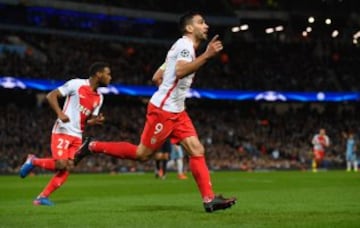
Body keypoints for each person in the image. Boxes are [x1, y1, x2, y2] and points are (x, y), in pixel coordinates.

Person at [75, 11, 236, 212]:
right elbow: (179, 71)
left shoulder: (179, 47)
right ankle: (92, 146)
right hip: (165, 111)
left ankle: (209, 199)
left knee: (197, 150)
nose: (206, 26)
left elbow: (156, 76)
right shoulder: (185, 46)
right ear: (189, 28)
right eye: (201, 22)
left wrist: (168, 86)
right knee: (142, 154)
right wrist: (207, 55)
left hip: (177, 110)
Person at [19, 62, 112, 206]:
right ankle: (33, 161)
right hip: (63, 129)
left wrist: (94, 121)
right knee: (61, 164)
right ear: (98, 74)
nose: (110, 78)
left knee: (68, 166)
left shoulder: (99, 98)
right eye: (108, 74)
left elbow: (84, 120)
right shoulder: (76, 84)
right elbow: (51, 96)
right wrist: (59, 113)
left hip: (77, 135)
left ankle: (42, 197)